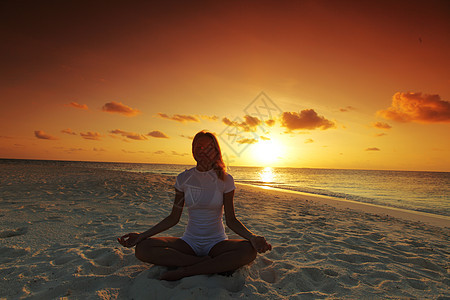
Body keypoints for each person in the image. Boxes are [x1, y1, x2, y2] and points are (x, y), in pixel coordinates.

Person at [118, 130, 271, 281]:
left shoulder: (226, 180)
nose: (203, 151)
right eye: (199, 147)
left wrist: (253, 237)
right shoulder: (184, 179)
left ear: (215, 151)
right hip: (189, 242)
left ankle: (186, 271)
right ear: (193, 151)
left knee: (248, 251)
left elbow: (231, 220)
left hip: (217, 243)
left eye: (208, 147)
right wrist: (142, 235)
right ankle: (205, 264)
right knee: (143, 249)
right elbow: (173, 218)